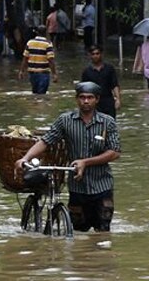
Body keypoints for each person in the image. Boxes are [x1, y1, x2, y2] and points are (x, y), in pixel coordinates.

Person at [14, 82, 121, 232]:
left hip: (102, 185)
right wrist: (26, 158)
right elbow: (46, 141)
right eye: (82, 97)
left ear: (97, 99)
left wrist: (86, 162)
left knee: (103, 232)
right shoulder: (65, 120)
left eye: (90, 97)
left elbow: (114, 152)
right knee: (78, 230)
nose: (85, 101)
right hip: (77, 186)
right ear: (76, 99)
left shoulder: (107, 122)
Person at [81, 45, 121, 118]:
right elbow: (83, 90)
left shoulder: (109, 68)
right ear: (90, 56)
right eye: (93, 54)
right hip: (93, 103)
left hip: (108, 101)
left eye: (97, 53)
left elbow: (115, 84)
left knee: (110, 125)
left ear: (101, 54)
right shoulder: (87, 72)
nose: (95, 56)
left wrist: (118, 99)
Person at [18, 25, 58, 94]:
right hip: (43, 73)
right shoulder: (48, 44)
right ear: (46, 33)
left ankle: (34, 104)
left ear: (37, 32)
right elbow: (50, 60)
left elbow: (25, 58)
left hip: (32, 74)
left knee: (35, 93)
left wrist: (21, 71)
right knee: (42, 95)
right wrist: (54, 74)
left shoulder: (30, 43)